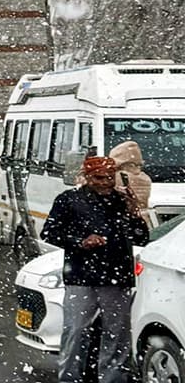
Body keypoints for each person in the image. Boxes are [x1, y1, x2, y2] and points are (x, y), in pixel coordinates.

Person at [41, 156, 150, 383]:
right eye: (99, 178)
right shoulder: (69, 200)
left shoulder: (122, 201)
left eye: (109, 178)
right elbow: (49, 232)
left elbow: (141, 237)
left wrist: (135, 214)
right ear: (87, 177)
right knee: (76, 330)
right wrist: (80, 241)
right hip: (81, 275)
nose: (105, 183)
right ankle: (70, 377)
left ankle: (113, 378)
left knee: (117, 333)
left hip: (116, 275)